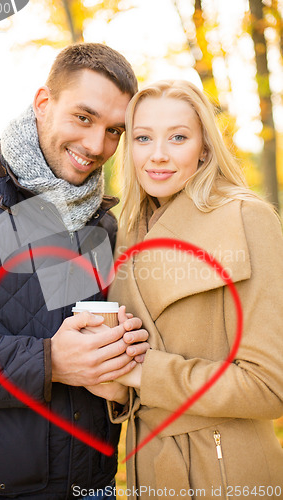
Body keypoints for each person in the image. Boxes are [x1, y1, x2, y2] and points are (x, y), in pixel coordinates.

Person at [0, 42, 150, 499]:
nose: (97, 146)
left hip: (93, 486)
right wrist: (49, 361)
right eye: (84, 117)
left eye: (115, 131)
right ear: (44, 103)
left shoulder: (102, 222)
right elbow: (59, 356)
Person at [108, 80, 283, 499]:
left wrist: (141, 373)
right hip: (148, 464)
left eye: (179, 137)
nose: (158, 154)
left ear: (204, 147)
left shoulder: (246, 219)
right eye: (143, 138)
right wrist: (115, 383)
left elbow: (271, 386)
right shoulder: (123, 231)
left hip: (225, 468)